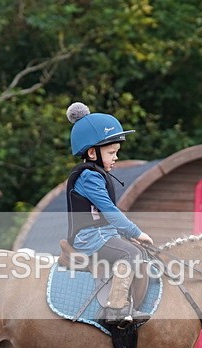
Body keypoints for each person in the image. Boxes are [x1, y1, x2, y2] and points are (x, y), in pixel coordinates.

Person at [65, 102, 154, 325]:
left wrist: (127, 235)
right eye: (112, 152)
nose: (116, 157)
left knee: (136, 251)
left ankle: (130, 302)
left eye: (117, 152)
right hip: (89, 237)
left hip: (102, 233)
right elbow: (109, 211)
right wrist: (136, 232)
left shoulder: (96, 174)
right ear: (93, 152)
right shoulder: (89, 176)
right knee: (131, 254)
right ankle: (115, 309)